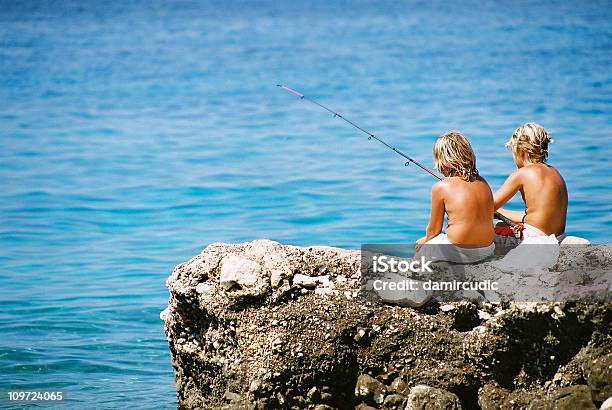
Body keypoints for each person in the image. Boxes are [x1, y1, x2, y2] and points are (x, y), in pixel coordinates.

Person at [415, 132, 495, 263]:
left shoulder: (441, 187)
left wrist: (425, 240)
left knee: (423, 250)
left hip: (459, 251)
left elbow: (434, 230)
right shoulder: (483, 182)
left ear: (443, 161)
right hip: (487, 249)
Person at [493, 123, 568, 247]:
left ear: (521, 151)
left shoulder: (522, 173)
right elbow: (537, 215)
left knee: (491, 230)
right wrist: (500, 212)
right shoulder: (555, 173)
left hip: (535, 237)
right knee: (503, 223)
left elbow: (486, 207)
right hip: (556, 237)